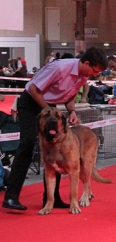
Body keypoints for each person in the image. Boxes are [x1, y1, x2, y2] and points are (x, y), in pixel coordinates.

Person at [2, 47, 107, 211]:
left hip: (49, 106)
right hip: (31, 102)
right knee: (28, 144)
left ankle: (52, 198)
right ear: (86, 63)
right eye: (95, 70)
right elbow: (33, 89)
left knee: (57, 147)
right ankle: (11, 197)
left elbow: (69, 97)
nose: (95, 75)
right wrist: (49, 114)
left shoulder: (82, 76)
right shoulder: (59, 68)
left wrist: (72, 111)